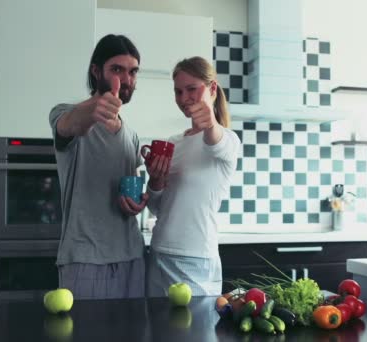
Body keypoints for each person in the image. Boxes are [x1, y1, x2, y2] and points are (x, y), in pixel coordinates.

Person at [48, 34, 150, 299]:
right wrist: (95, 105)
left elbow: (132, 190)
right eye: (117, 69)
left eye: (132, 71)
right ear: (96, 71)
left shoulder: (132, 135)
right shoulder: (65, 113)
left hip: (133, 258)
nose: (126, 80)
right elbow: (71, 125)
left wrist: (139, 202)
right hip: (85, 260)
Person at [145, 56, 241, 297]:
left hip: (195, 259)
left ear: (212, 89)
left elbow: (214, 143)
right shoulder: (173, 143)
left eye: (191, 89)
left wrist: (210, 124)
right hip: (158, 254)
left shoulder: (227, 139)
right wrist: (155, 182)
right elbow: (159, 208)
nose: (183, 98)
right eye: (178, 91)